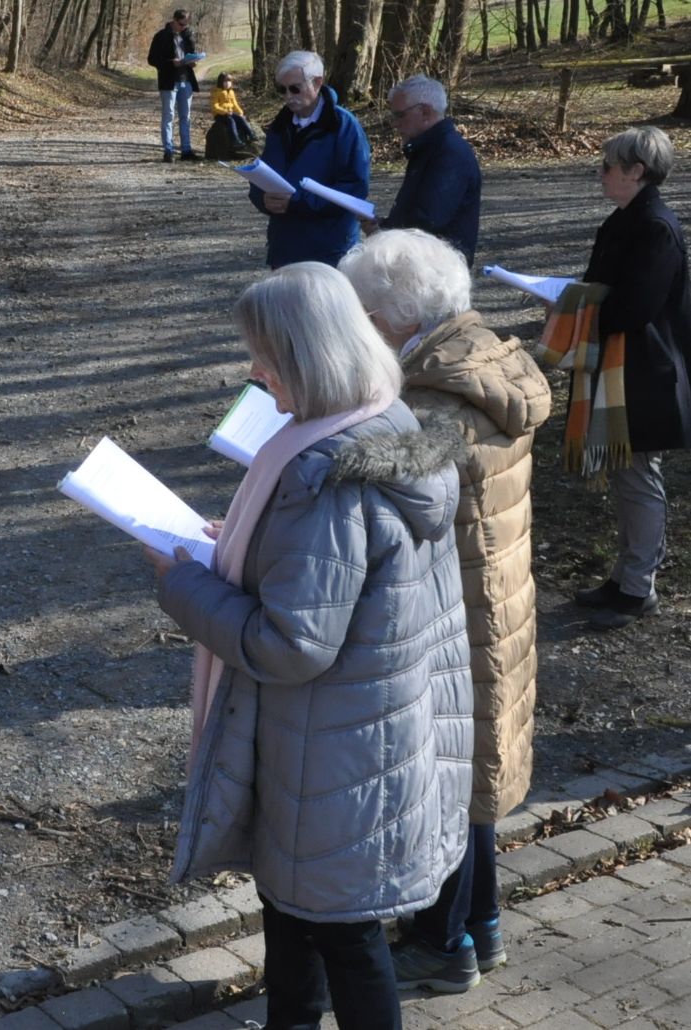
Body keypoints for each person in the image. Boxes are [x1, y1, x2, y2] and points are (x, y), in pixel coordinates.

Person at [149, 262, 472, 1029]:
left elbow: (292, 643)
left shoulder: (324, 480)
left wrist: (181, 583)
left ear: (309, 356)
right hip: (361, 742)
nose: (253, 371)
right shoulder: (383, 425)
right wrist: (241, 545)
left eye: (264, 354)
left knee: (343, 941)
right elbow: (339, 584)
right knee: (299, 925)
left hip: (329, 758)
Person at [341, 230, 550, 991]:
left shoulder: (437, 394)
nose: (358, 329)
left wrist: (307, 444)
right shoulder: (486, 357)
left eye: (362, 314)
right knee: (478, 773)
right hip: (497, 597)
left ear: (397, 316)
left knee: (453, 775)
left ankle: (443, 943)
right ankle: (482, 925)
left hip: (461, 610)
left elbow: (389, 467)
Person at [557, 127, 691, 629]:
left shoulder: (655, 227)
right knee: (626, 475)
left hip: (642, 371)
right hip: (619, 368)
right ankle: (625, 577)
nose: (601, 173)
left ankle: (638, 588)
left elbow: (634, 308)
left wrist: (575, 306)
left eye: (609, 166)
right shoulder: (625, 221)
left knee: (638, 478)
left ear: (636, 171)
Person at [251, 51, 371, 268]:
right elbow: (262, 175)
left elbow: (355, 188)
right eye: (282, 89)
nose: (288, 96)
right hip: (284, 247)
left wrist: (297, 203)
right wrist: (262, 198)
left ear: (317, 83)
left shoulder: (344, 126)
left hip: (329, 250)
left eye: (295, 88)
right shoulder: (279, 127)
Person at [363, 76, 482, 266]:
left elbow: (429, 220)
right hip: (423, 263)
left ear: (425, 112)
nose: (395, 124)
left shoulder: (449, 153)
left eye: (400, 115)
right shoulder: (428, 148)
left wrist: (384, 233)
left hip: (438, 270)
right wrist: (383, 227)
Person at [146, 9, 202, 162]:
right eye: (181, 23)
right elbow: (151, 59)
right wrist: (171, 63)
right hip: (169, 81)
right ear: (174, 20)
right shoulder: (161, 36)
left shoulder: (188, 34)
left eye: (186, 24)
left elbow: (192, 54)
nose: (183, 26)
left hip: (186, 81)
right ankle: (168, 151)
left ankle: (186, 150)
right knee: (168, 115)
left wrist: (193, 61)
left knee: (186, 117)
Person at [205, 71, 256, 160]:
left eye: (229, 81)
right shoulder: (217, 92)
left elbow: (235, 104)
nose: (227, 83)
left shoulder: (231, 92)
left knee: (240, 119)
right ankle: (236, 140)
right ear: (221, 82)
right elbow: (214, 106)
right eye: (225, 81)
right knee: (231, 121)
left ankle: (250, 134)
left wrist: (240, 112)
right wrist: (224, 111)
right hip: (220, 115)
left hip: (230, 112)